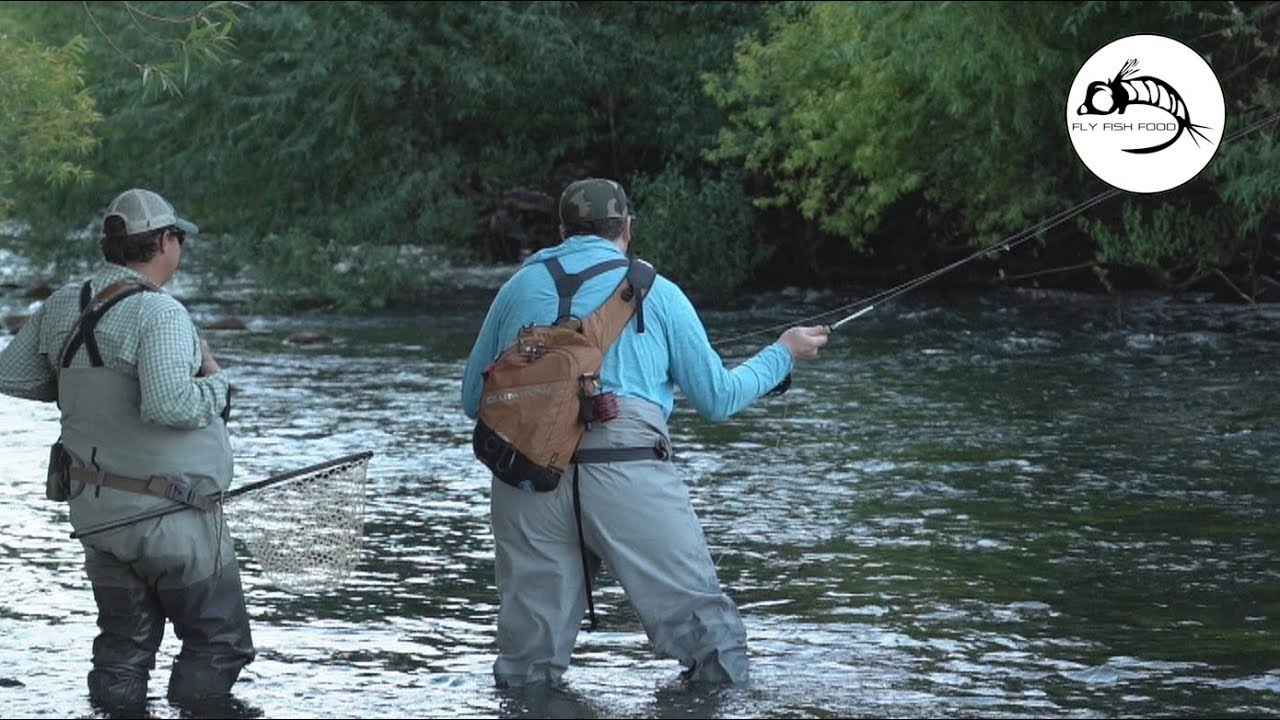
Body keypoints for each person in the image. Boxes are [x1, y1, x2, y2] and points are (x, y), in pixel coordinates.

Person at [461, 177, 830, 688]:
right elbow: (718, 399)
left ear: (562, 230)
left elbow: (469, 401)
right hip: (627, 465)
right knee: (713, 651)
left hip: (527, 474)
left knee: (527, 673)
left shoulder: (517, 288)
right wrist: (783, 354)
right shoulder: (658, 292)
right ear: (626, 229)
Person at [0, 188, 255, 713]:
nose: (179, 248)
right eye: (177, 238)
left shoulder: (62, 303)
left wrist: (76, 386)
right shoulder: (159, 314)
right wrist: (216, 381)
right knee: (217, 643)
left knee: (122, 648)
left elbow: (12, 375)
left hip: (100, 518)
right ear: (163, 241)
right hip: (174, 520)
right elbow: (168, 404)